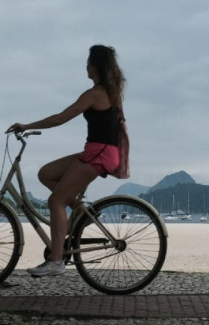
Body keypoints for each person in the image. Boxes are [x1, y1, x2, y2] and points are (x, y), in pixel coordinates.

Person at [7, 44, 126, 277]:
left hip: (99, 153)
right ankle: (80, 211)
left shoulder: (95, 94)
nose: (86, 66)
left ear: (95, 66)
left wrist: (27, 125)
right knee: (46, 174)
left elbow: (61, 118)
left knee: (55, 201)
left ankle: (56, 261)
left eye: (88, 62)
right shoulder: (110, 92)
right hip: (98, 151)